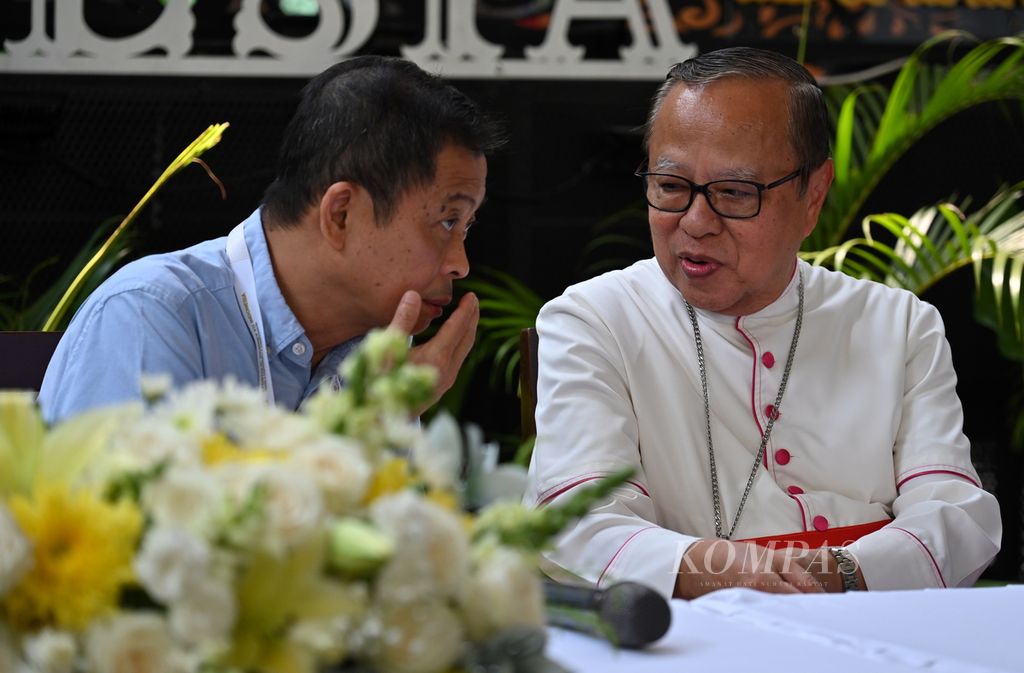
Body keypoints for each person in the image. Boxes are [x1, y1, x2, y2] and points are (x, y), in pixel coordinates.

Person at [524, 47, 1001, 599]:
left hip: (878, 622)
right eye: (671, 186)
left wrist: (836, 575)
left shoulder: (898, 325)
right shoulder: (595, 320)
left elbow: (956, 516)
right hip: (692, 636)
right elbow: (575, 525)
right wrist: (731, 571)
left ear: (813, 195)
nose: (696, 223)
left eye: (734, 193)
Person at [39, 56, 505, 423]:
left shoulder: (376, 349)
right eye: (447, 221)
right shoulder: (153, 313)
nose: (461, 264)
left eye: (468, 227)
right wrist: (367, 425)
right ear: (341, 214)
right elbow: (144, 540)